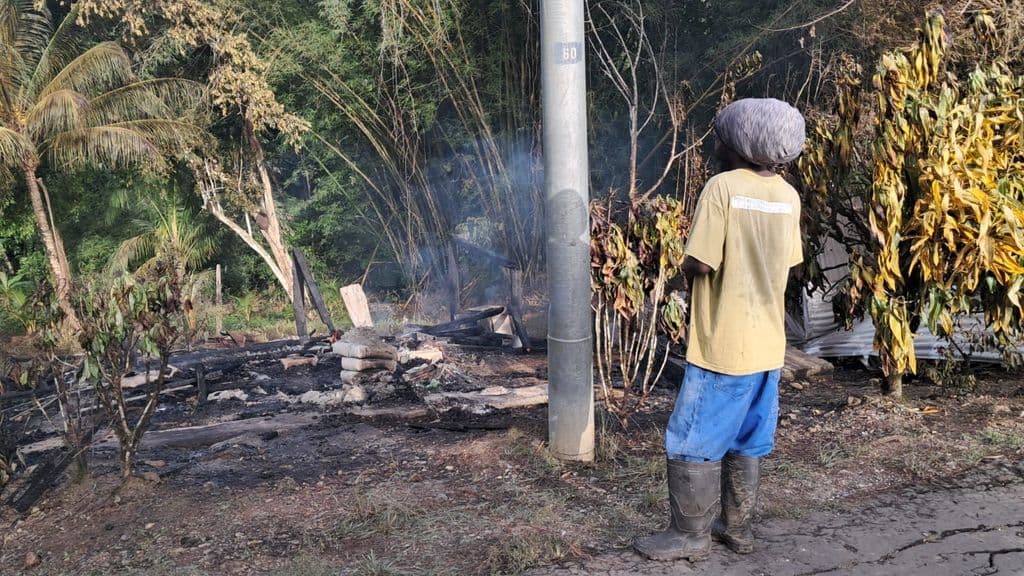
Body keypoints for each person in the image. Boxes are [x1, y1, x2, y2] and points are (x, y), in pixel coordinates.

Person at [633, 98, 806, 562]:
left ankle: (689, 536)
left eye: (722, 137)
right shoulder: (789, 197)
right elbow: (788, 262)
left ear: (739, 143)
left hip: (723, 346)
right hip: (769, 347)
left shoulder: (722, 188)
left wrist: (676, 274)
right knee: (747, 439)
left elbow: (703, 261)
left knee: (692, 439)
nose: (717, 144)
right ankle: (738, 530)